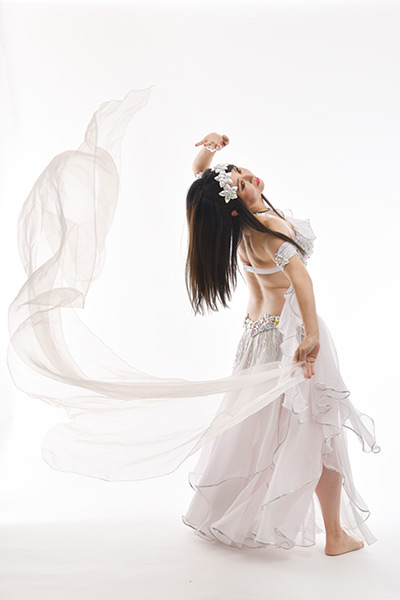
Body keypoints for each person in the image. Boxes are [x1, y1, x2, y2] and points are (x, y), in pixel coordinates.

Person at [182, 132, 378, 555]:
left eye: (240, 171)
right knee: (318, 429)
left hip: (257, 335)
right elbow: (301, 280)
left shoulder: (230, 222)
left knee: (257, 429)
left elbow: (201, 178)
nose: (249, 177)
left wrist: (209, 150)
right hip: (291, 334)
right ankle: (335, 535)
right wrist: (311, 335)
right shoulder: (269, 228)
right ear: (234, 201)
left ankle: (237, 515)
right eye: (241, 183)